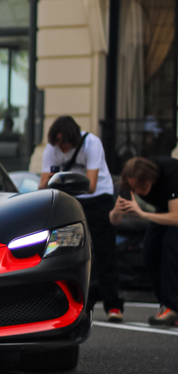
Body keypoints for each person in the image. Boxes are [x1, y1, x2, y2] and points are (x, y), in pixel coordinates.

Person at [39, 116, 123, 322]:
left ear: (74, 139)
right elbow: (42, 184)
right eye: (58, 143)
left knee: (104, 250)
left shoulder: (92, 143)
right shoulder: (52, 149)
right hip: (70, 198)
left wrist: (59, 182)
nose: (62, 147)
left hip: (97, 198)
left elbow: (91, 184)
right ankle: (70, 299)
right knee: (63, 248)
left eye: (65, 143)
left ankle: (113, 305)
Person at [109, 156, 178, 326]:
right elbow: (114, 220)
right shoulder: (128, 181)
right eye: (135, 187)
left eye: (142, 186)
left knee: (171, 244)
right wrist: (117, 212)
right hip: (164, 209)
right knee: (149, 250)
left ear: (152, 178)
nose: (138, 191)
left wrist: (143, 214)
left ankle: (173, 306)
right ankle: (166, 304)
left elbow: (176, 217)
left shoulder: (171, 172)